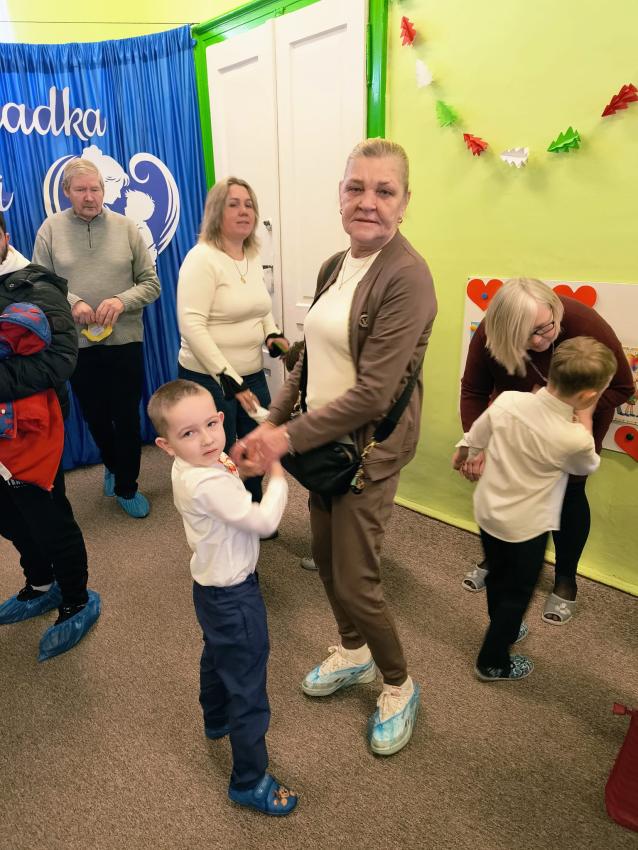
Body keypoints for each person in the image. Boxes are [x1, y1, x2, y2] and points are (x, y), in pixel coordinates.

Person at [233, 139, 437, 756]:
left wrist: (281, 438)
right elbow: (305, 359)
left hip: (367, 452)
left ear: (405, 202)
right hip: (322, 445)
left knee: (357, 578)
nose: (368, 202)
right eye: (356, 188)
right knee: (325, 558)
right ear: (340, 194)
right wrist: (272, 418)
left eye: (384, 191)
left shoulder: (407, 277)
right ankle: (353, 652)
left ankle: (399, 683)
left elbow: (374, 394)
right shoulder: (335, 264)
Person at [147, 379, 297, 816]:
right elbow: (264, 522)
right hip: (235, 596)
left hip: (209, 588)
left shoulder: (193, 466)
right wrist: (276, 474)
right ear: (166, 445)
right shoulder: (207, 483)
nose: (208, 439)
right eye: (189, 433)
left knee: (216, 655)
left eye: (211, 423)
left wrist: (239, 463)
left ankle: (215, 719)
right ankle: (249, 781)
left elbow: (225, 472)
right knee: (248, 684)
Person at [454, 278, 633, 623]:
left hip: (573, 424)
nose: (538, 341)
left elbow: (623, 386)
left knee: (568, 496)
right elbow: (474, 391)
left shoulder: (584, 323)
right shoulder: (491, 331)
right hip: (517, 427)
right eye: (525, 336)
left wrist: (571, 411)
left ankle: (565, 578)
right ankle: (500, 557)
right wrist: (477, 445)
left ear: (554, 311)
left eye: (544, 328)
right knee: (509, 492)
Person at [454, 337, 617, 680]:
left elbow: (476, 435)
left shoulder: (509, 400)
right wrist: (585, 420)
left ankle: (504, 626)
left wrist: (464, 453)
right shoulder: (574, 437)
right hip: (526, 527)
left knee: (498, 575)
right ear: (589, 395)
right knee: (517, 594)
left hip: (488, 512)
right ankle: (493, 662)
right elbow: (587, 465)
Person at [32, 157, 161, 519]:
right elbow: (40, 284)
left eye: (95, 189)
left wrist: (120, 301)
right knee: (95, 415)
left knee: (127, 416)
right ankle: (112, 463)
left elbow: (152, 284)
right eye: (81, 189)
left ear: (104, 190)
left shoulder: (127, 228)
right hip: (77, 344)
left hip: (125, 340)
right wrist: (72, 302)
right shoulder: (50, 230)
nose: (89, 196)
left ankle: (127, 486)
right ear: (66, 192)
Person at [0, 211, 100, 661]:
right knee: (8, 515)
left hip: (33, 431)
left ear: (5, 236)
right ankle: (41, 582)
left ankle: (76, 597)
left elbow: (59, 360)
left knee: (48, 515)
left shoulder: (38, 286)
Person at [176, 176, 288, 507]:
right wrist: (229, 379)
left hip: (251, 374)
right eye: (234, 204)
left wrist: (273, 335)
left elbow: (260, 308)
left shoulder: (251, 255)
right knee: (217, 456)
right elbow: (191, 324)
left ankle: (254, 511)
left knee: (256, 446)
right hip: (209, 379)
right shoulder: (202, 258)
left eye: (249, 205)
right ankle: (225, 520)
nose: (244, 211)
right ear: (216, 212)